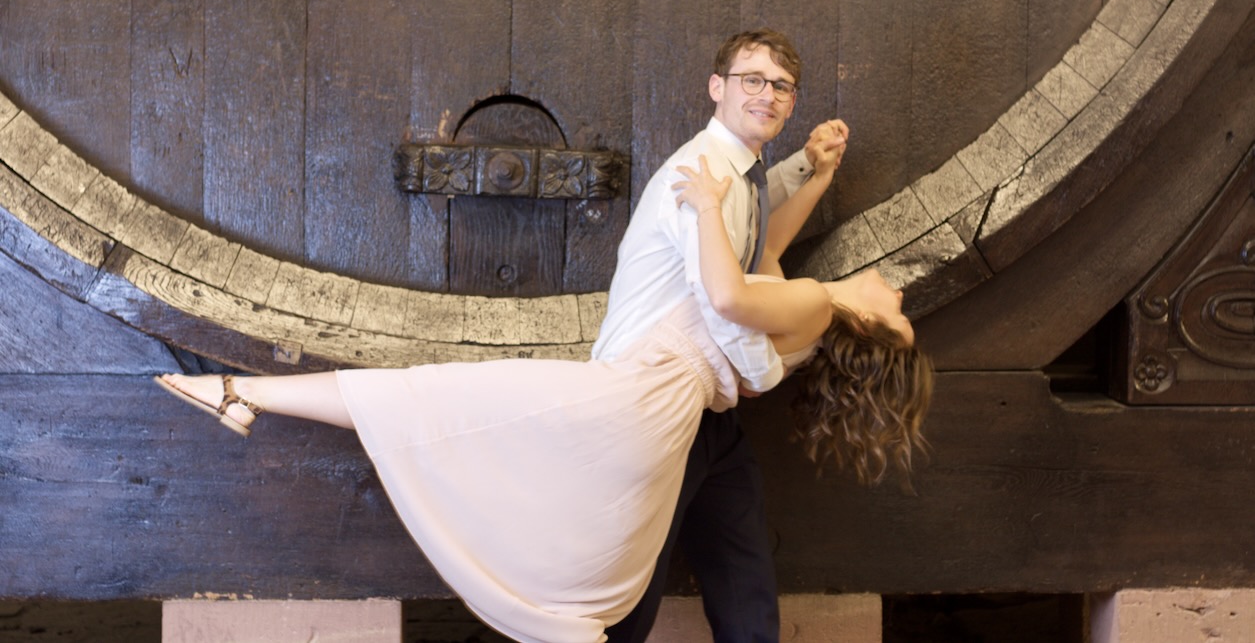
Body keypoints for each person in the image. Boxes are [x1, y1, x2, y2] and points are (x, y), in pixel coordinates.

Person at [153, 154, 933, 643]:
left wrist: (702, 205)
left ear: (869, 326)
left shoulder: (816, 306)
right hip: (653, 412)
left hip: (638, 402)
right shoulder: (805, 311)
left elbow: (730, 291)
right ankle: (237, 393)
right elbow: (766, 256)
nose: (899, 294)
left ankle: (234, 388)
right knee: (439, 407)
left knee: (434, 401)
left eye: (899, 315)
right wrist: (812, 175)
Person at [593, 28, 848, 643]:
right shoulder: (698, 176)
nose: (767, 95)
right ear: (717, 87)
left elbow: (760, 238)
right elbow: (721, 301)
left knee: (745, 582)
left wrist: (811, 171)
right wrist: (764, 374)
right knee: (629, 602)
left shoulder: (738, 174)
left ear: (792, 101)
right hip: (652, 408)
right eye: (752, 79)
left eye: (781, 86)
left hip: (707, 409)